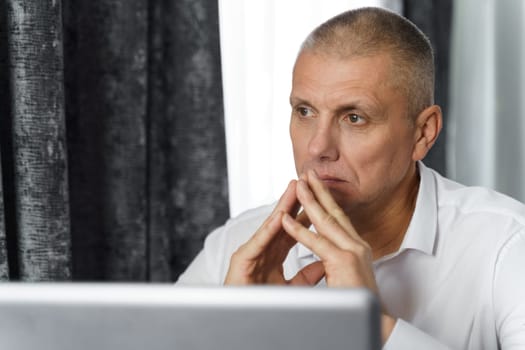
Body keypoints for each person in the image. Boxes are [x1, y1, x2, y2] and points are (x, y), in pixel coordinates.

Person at [176, 7, 525, 349]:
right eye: (305, 111)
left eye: (354, 118)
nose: (317, 147)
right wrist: (230, 333)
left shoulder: (506, 244)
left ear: (423, 133)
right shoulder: (235, 248)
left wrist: (373, 329)